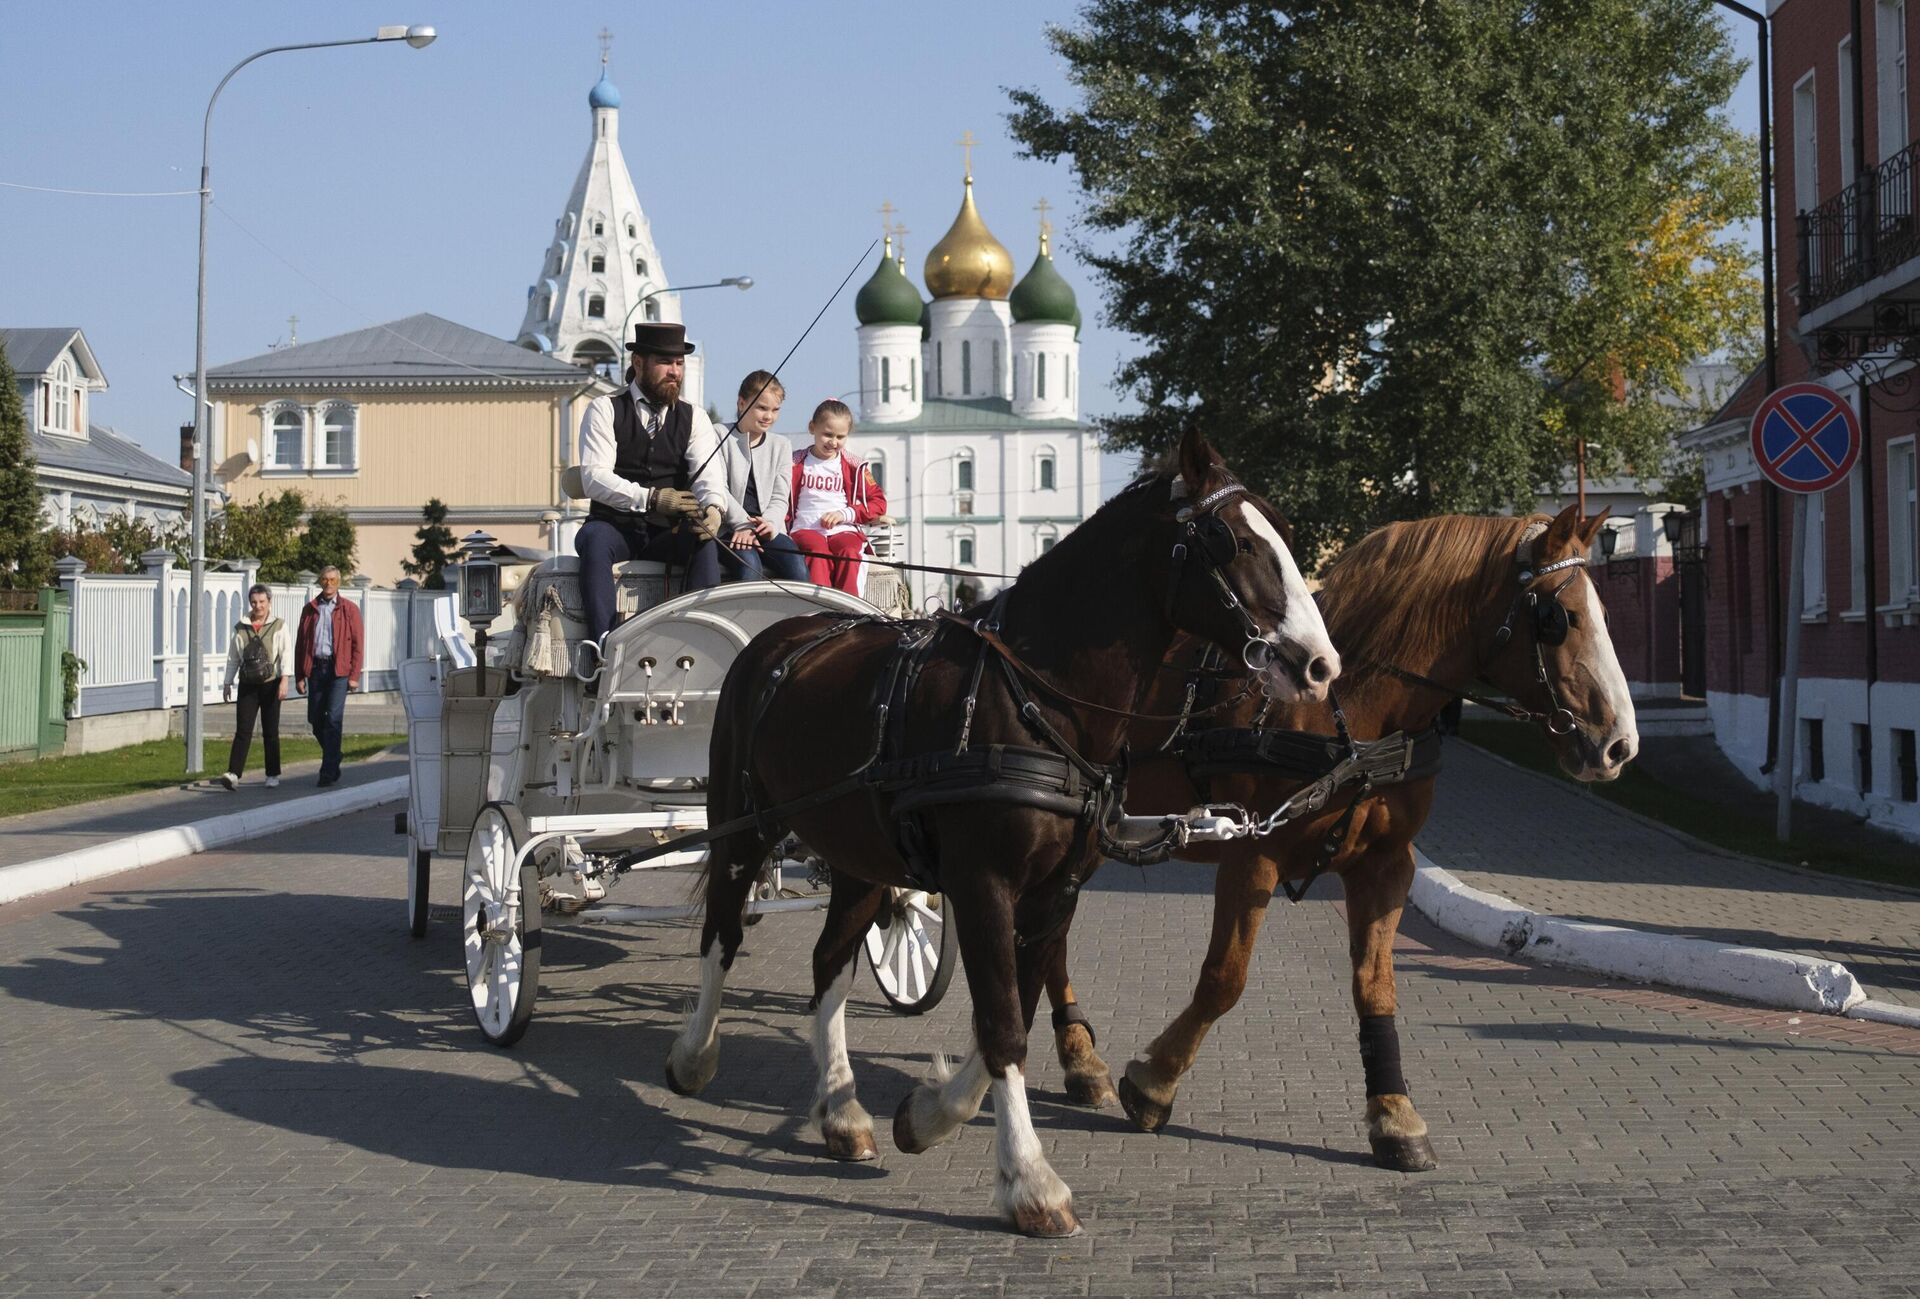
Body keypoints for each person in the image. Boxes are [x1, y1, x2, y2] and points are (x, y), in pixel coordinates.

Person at [574, 321, 730, 641]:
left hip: (665, 533)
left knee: (702, 538)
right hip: (615, 528)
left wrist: (714, 507)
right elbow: (594, 478)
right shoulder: (604, 409)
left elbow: (709, 474)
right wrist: (652, 498)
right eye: (665, 362)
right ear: (639, 363)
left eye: (679, 363)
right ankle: (604, 645)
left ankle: (703, 639)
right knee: (594, 539)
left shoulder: (694, 417)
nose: (674, 371)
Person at [712, 370, 808, 583]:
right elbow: (717, 488)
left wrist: (770, 524)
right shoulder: (718, 434)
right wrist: (742, 524)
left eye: (775, 410)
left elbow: (780, 495)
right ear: (742, 403)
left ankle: (800, 616)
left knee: (797, 567)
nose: (769, 416)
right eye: (762, 408)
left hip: (768, 530)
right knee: (749, 565)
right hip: (729, 529)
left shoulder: (781, 445)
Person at [787, 399, 886, 594]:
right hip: (805, 528)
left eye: (841, 437)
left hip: (843, 529)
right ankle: (820, 607)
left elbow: (878, 502)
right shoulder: (793, 462)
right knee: (816, 551)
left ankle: (849, 609)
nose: (833, 442)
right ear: (812, 428)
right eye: (827, 434)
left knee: (849, 550)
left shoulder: (855, 466)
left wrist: (846, 514)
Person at [218, 583, 293, 790]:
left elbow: (286, 653)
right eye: (254, 602)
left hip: (271, 684)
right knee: (243, 729)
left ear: (269, 602)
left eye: (262, 602)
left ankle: (272, 774)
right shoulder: (240, 627)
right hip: (248, 685)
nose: (258, 606)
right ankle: (233, 773)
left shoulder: (279, 625)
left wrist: (285, 680)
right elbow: (233, 657)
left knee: (271, 730)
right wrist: (227, 682)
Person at [294, 566, 363, 787]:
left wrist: (354, 675)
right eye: (325, 580)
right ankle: (334, 755)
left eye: (333, 580)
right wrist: (299, 675)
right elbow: (301, 645)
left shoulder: (349, 609)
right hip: (316, 669)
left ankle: (327, 771)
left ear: (339, 582)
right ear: (320, 582)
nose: (329, 584)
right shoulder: (310, 609)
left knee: (333, 720)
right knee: (315, 720)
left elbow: (358, 645)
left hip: (338, 671)